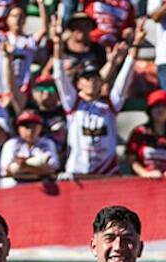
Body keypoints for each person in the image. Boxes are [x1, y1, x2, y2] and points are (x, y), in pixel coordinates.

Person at [50, 16, 143, 176]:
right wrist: (57, 44)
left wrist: (136, 45)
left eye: (95, 78)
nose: (91, 81)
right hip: (78, 173)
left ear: (101, 81)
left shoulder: (111, 103)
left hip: (107, 173)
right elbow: (59, 76)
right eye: (86, 78)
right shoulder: (72, 103)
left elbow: (125, 77)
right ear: (78, 83)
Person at [127, 89, 166, 180]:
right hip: (143, 182)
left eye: (165, 106)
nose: (161, 110)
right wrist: (145, 173)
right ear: (150, 110)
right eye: (157, 106)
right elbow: (131, 160)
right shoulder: (140, 132)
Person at [0, 110, 60, 186]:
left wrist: (25, 166)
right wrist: (37, 168)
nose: (30, 130)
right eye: (26, 126)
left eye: (33, 126)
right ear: (19, 129)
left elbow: (51, 169)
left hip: (40, 189)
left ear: (40, 127)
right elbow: (8, 171)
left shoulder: (47, 143)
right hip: (14, 189)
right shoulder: (11, 144)